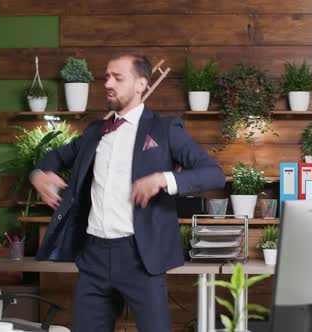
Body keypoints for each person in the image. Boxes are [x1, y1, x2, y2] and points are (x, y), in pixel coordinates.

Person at [30, 52, 226, 332]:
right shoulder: (95, 132)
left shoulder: (164, 129)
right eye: (106, 76)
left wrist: (162, 178)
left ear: (141, 84)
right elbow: (55, 157)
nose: (108, 83)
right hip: (93, 256)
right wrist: (38, 175)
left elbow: (213, 174)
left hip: (140, 258)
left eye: (117, 77)